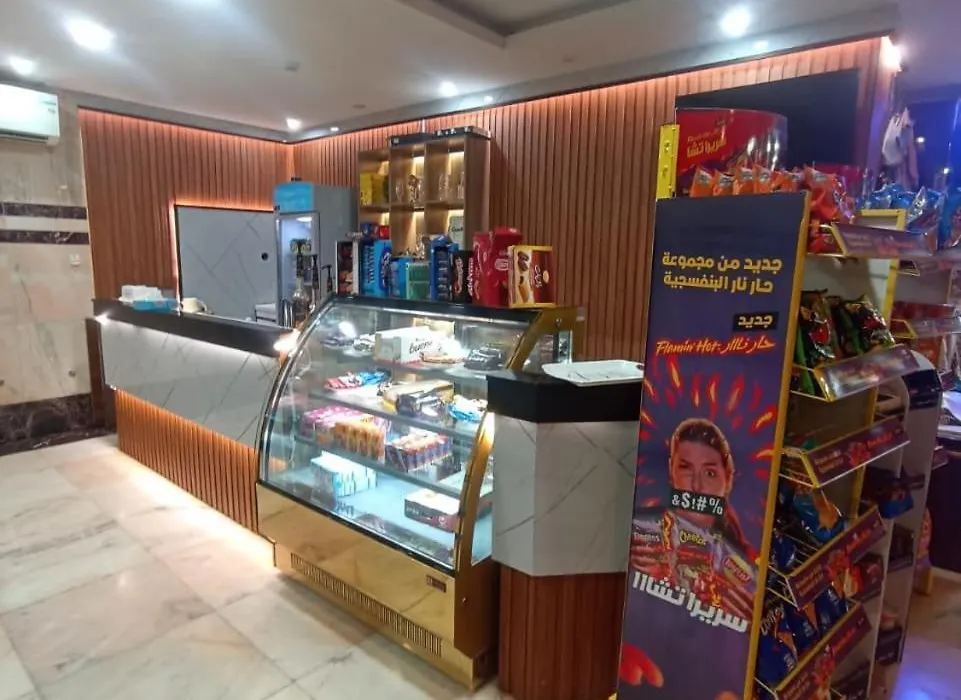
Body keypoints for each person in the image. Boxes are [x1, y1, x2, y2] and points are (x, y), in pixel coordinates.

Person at [630, 418, 755, 619]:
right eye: (685, 468)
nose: (696, 486)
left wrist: (745, 621)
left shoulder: (744, 574)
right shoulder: (638, 531)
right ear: (671, 470)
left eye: (710, 473)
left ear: (728, 478)